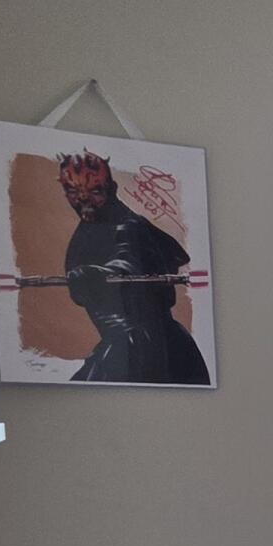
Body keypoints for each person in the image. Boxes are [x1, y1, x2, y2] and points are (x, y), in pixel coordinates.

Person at [54, 151, 210, 384]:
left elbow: (128, 262)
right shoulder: (90, 231)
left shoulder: (128, 227)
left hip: (145, 348)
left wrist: (99, 275)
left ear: (112, 188)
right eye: (73, 192)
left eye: (95, 191)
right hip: (128, 349)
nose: (84, 199)